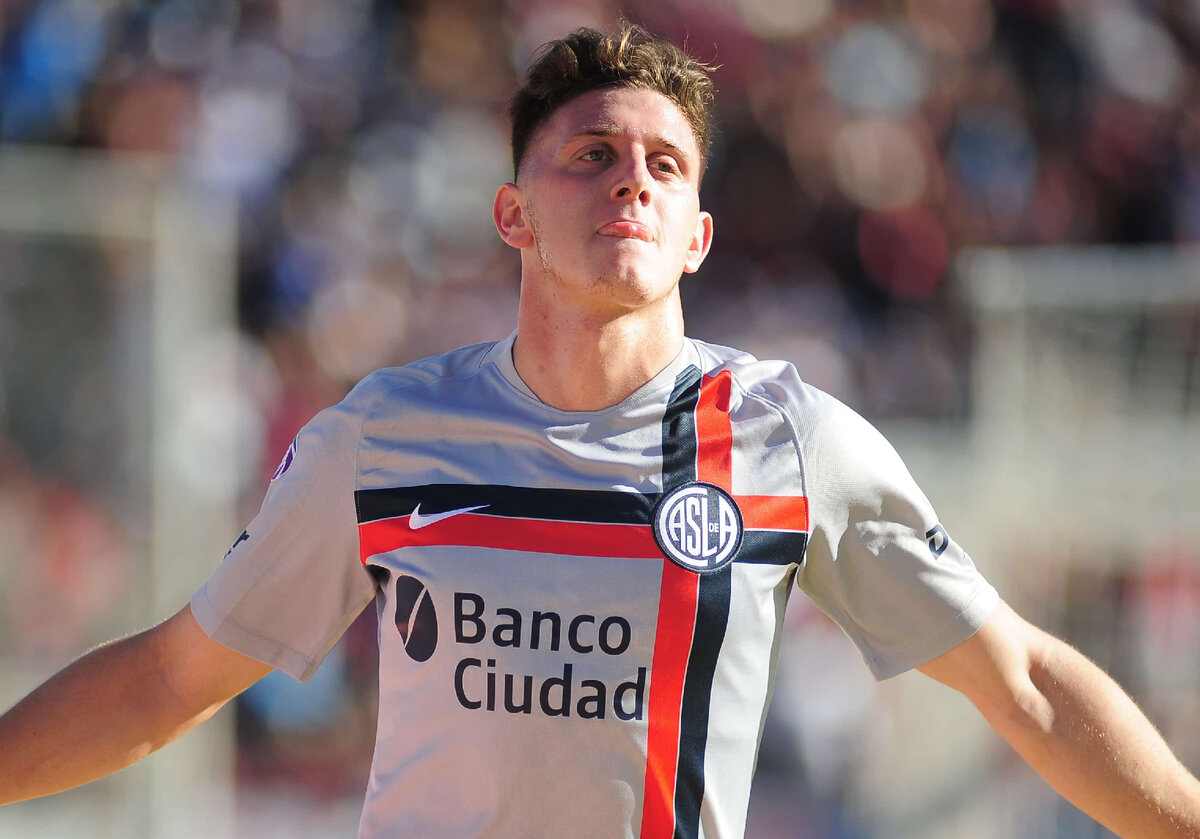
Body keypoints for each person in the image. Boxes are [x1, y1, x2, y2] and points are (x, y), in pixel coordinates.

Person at [1, 22, 1198, 839]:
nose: (632, 180)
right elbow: (169, 678)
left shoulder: (791, 441)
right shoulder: (383, 438)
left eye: (664, 165)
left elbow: (1026, 682)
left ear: (697, 236)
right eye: (591, 155)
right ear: (513, 214)